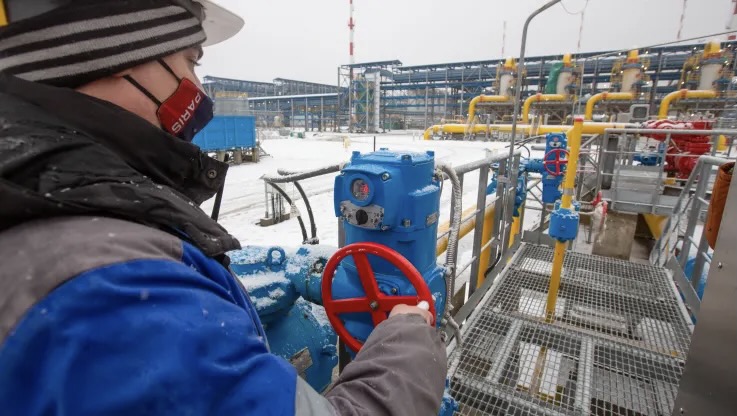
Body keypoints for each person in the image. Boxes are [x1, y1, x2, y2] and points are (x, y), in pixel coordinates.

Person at [0, 1, 447, 415]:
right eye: (191, 61)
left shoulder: (55, 202)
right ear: (118, 55)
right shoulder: (113, 285)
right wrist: (407, 342)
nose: (197, 87)